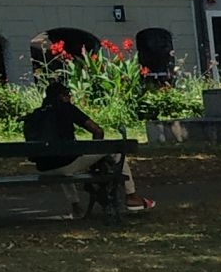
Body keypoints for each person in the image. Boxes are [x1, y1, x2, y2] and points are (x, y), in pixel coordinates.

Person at [24, 76, 150, 210]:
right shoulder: (67, 108)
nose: (70, 98)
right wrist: (95, 151)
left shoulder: (35, 115)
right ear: (62, 96)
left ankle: (75, 204)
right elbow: (97, 130)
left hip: (44, 168)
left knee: (59, 161)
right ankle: (131, 195)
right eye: (68, 95)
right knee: (116, 151)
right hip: (66, 163)